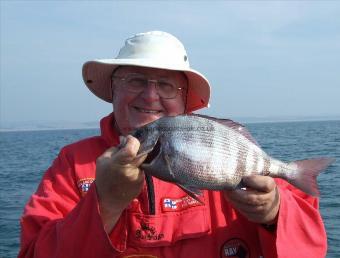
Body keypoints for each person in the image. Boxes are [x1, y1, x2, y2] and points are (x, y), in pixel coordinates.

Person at [18, 31, 327, 258]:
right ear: (113, 89)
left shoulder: (222, 150)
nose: (150, 97)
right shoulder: (73, 163)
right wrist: (105, 202)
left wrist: (274, 213)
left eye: (166, 85)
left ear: (184, 99)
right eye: (135, 80)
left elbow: (310, 247)